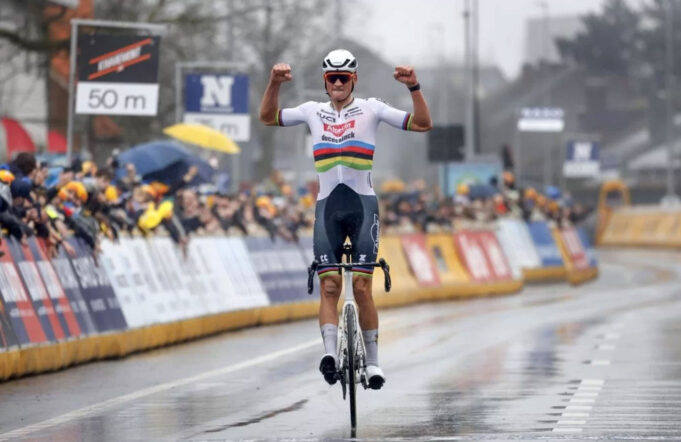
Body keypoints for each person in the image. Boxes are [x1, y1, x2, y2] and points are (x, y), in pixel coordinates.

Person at [259, 49, 432, 389]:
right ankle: (329, 355)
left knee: (364, 288)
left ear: (354, 79)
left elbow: (423, 124)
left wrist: (414, 87)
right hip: (327, 208)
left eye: (344, 78)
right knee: (329, 285)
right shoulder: (312, 112)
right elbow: (267, 118)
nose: (337, 84)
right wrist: (274, 82)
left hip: (363, 206)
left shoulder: (372, 108)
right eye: (331, 79)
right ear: (325, 81)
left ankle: (373, 364)